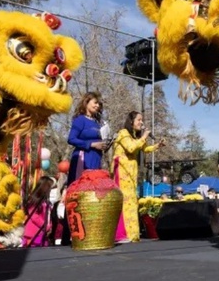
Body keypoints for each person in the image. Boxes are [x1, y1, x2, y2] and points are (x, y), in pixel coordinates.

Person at [112, 111, 165, 242]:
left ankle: (131, 234)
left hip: (131, 172)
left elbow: (145, 148)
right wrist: (144, 136)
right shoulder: (123, 133)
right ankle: (121, 234)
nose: (141, 123)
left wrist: (158, 145)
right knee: (124, 201)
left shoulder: (136, 136)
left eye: (142, 120)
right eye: (139, 120)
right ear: (131, 121)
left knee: (131, 202)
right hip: (122, 170)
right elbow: (130, 148)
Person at [67, 92, 107, 185]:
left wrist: (105, 145)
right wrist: (91, 144)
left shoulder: (98, 123)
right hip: (83, 159)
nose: (97, 106)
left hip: (96, 158)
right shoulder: (80, 120)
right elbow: (71, 139)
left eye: (99, 104)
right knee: (81, 187)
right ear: (86, 102)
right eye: (95, 103)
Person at [22, 176, 55, 247]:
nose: (50, 190)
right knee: (34, 253)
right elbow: (34, 216)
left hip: (42, 233)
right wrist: (46, 226)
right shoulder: (34, 201)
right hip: (33, 234)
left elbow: (48, 215)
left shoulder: (46, 201)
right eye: (50, 188)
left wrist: (50, 226)